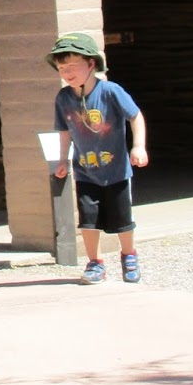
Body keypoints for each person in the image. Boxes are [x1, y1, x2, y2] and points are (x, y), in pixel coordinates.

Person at [49, 32, 149, 285]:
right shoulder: (63, 99)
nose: (67, 72)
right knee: (88, 220)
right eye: (62, 68)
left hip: (116, 170)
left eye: (72, 66)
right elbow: (64, 130)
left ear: (91, 63)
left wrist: (138, 146)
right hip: (85, 171)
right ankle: (95, 262)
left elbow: (135, 116)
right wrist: (63, 159)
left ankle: (128, 255)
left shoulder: (110, 91)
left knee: (122, 219)